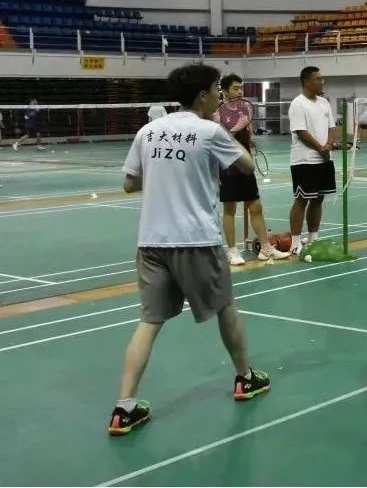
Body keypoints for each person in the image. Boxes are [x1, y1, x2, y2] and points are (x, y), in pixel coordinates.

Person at [108, 64, 270, 437]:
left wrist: (166, 172)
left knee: (149, 321)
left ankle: (124, 408)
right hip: (196, 240)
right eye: (216, 90)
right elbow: (246, 166)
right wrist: (226, 139)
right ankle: (245, 378)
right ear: (202, 95)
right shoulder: (210, 131)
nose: (219, 96)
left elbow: (129, 183)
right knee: (226, 308)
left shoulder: (148, 131)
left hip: (151, 242)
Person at [215, 74, 291, 266]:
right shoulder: (217, 113)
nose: (240, 91)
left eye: (241, 88)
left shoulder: (244, 109)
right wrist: (236, 129)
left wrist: (250, 136)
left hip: (245, 164)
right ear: (224, 91)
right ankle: (232, 251)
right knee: (230, 209)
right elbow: (219, 139)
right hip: (226, 167)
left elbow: (245, 131)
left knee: (256, 206)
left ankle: (266, 248)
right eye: (235, 88)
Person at [288, 66, 339, 255]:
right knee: (302, 199)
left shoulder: (324, 103)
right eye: (318, 79)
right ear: (306, 82)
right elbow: (301, 132)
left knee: (318, 198)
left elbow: (332, 127)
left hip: (324, 159)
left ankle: (313, 238)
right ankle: (295, 243)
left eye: (322, 78)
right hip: (304, 160)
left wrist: (330, 145)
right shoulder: (298, 104)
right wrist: (321, 148)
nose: (322, 82)